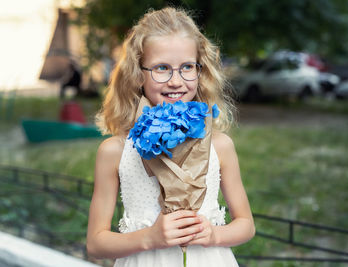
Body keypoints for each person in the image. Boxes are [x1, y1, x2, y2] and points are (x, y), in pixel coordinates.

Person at [86, 7, 255, 267]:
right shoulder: (115, 151)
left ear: (201, 71)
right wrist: (150, 238)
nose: (176, 81)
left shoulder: (220, 145)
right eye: (162, 68)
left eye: (187, 67)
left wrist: (213, 234)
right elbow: (96, 244)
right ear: (137, 73)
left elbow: (246, 225)